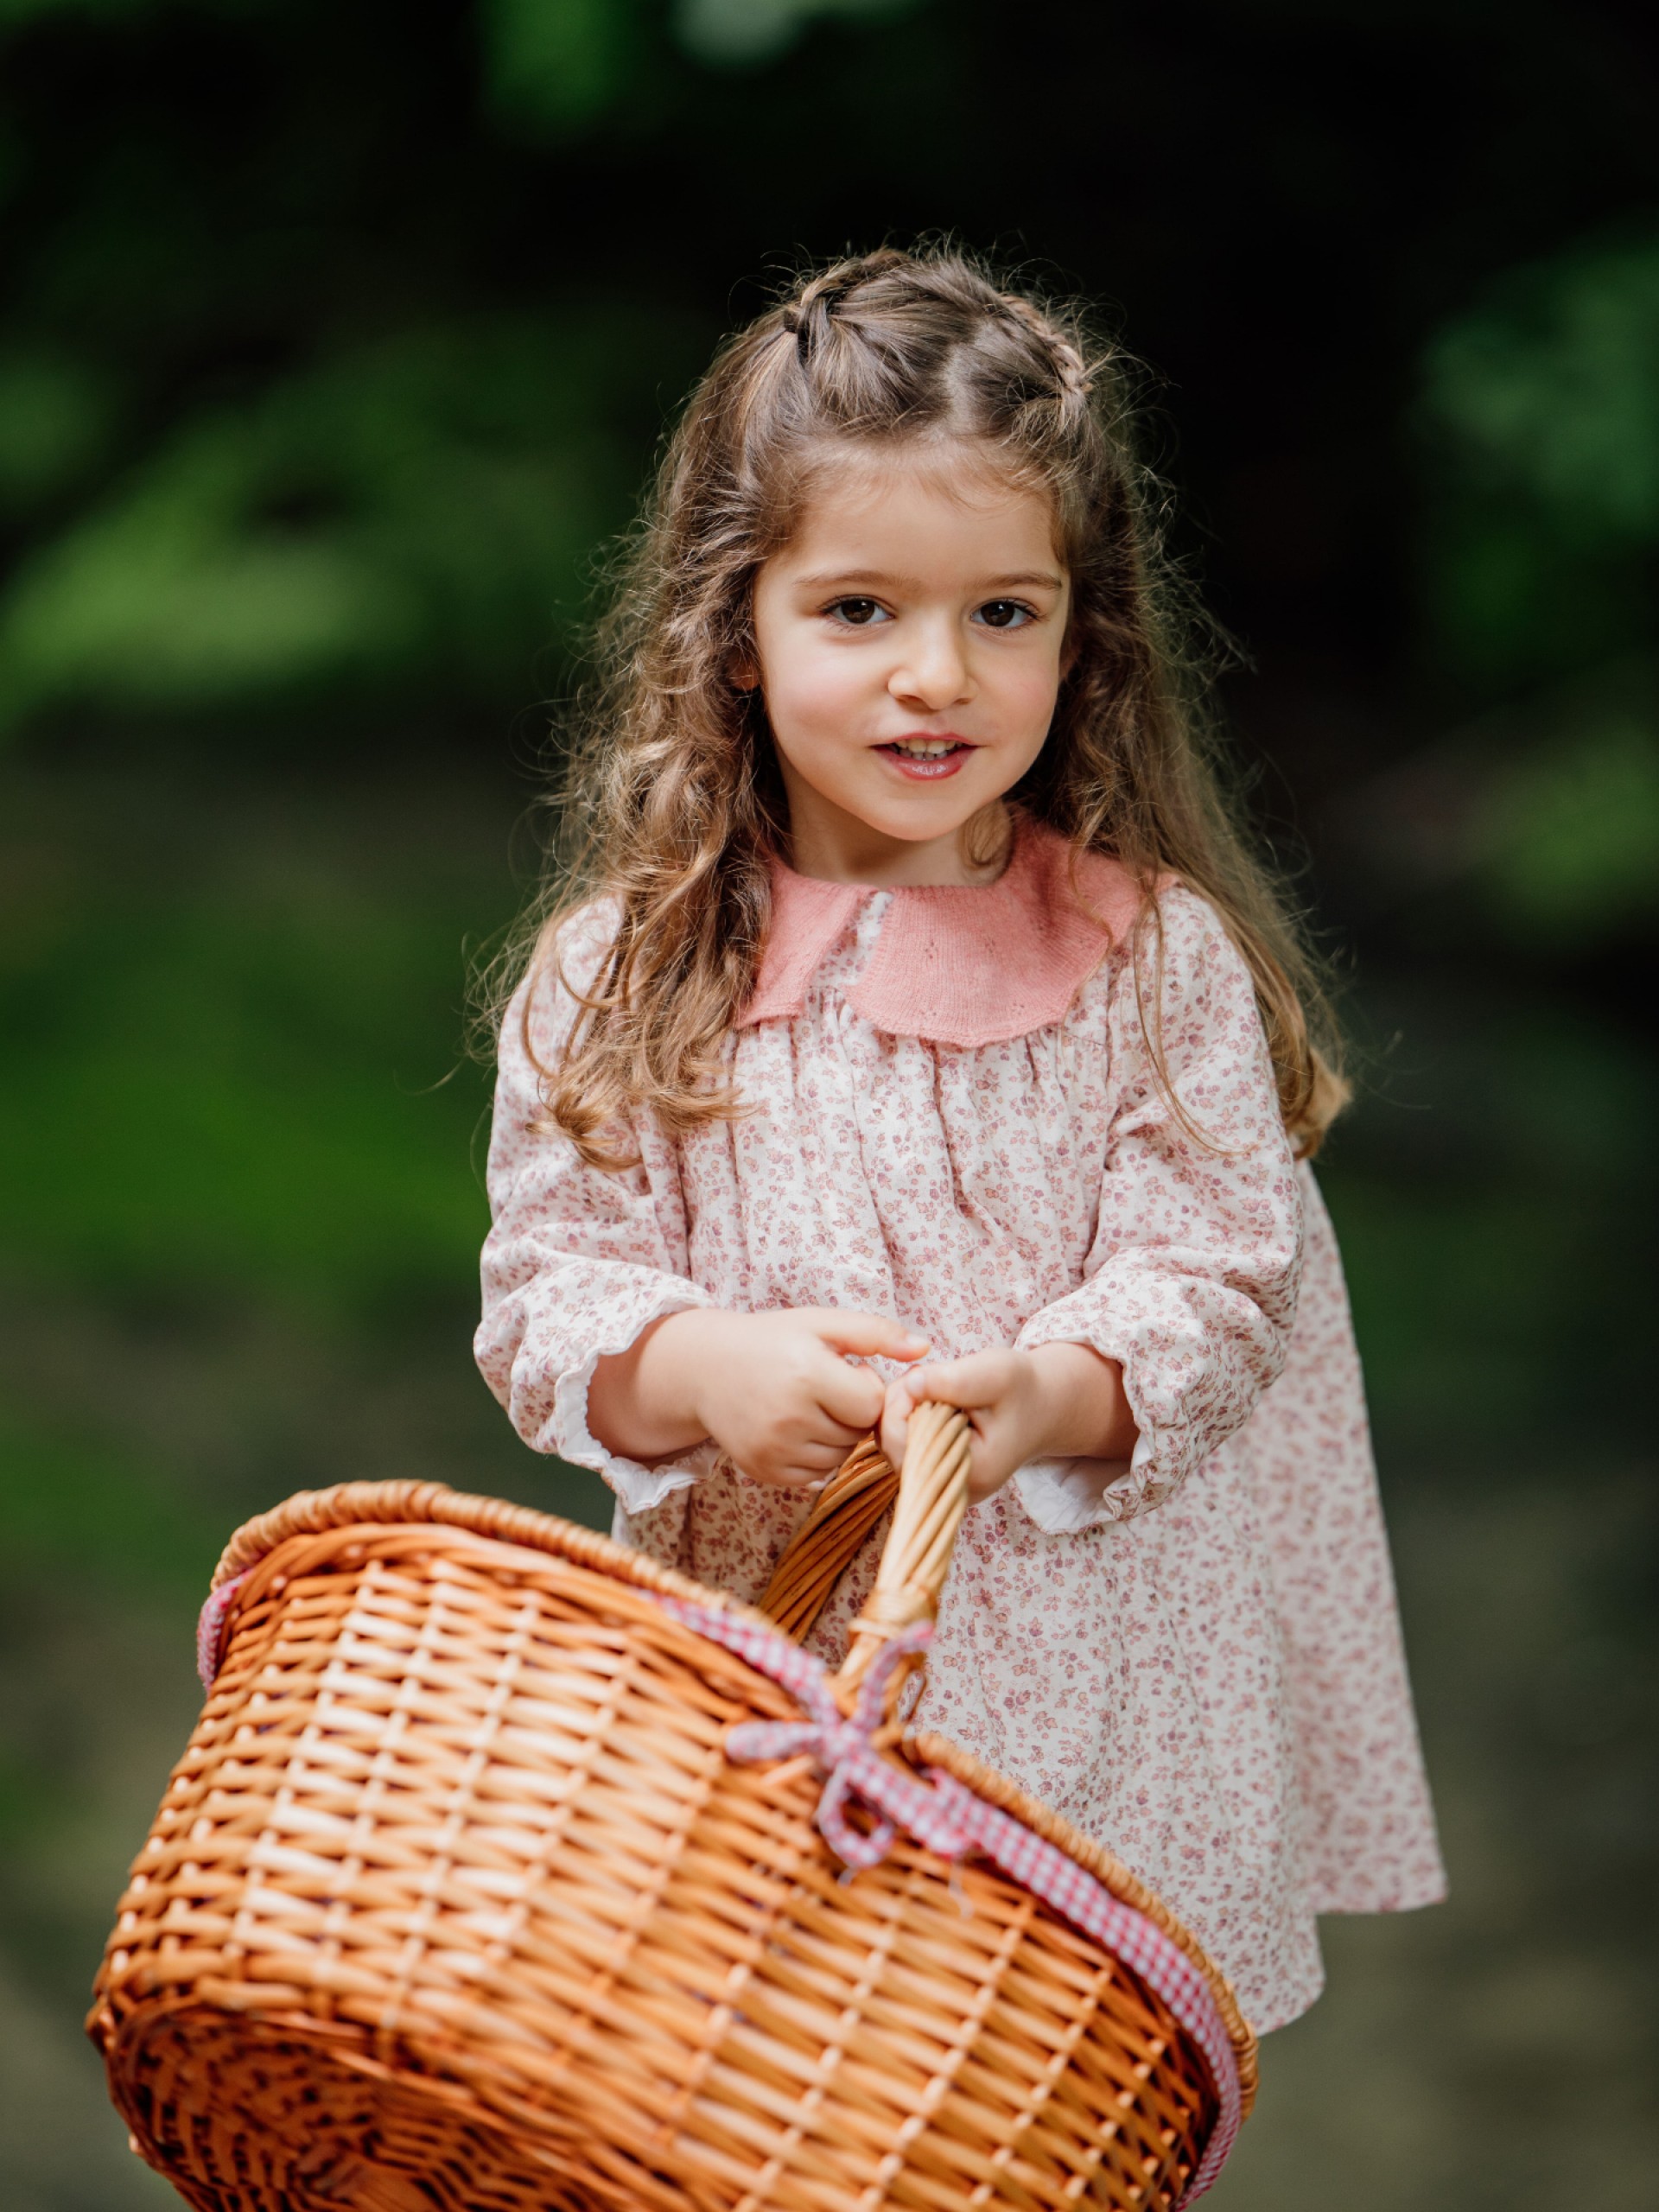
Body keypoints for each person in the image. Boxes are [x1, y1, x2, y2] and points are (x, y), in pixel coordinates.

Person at [474, 247, 1445, 2031]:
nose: (938, 676)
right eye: (858, 609)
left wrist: (1051, 1395)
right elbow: (545, 1291)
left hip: (1091, 1713)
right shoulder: (622, 974)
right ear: (735, 628)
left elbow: (1224, 1273)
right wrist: (699, 1365)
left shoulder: (1149, 960)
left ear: (1082, 636)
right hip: (765, 1694)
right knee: (758, 2085)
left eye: (1004, 612)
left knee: (1026, 2094)